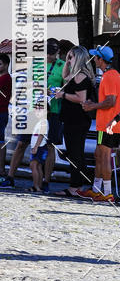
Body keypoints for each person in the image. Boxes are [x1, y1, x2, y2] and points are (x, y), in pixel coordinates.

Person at [77, 45, 120, 202]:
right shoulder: (110, 75)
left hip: (108, 125)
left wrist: (92, 106)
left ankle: (107, 193)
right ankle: (96, 190)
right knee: (98, 155)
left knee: (104, 157)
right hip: (107, 124)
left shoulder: (109, 76)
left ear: (101, 59)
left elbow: (111, 101)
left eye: (95, 57)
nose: (94, 59)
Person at [53, 46, 94, 198]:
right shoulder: (75, 74)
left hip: (77, 120)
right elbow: (65, 77)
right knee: (74, 153)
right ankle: (77, 184)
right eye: (67, 57)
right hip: (73, 119)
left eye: (71, 57)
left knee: (75, 154)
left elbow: (81, 99)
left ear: (79, 58)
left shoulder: (80, 76)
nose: (68, 60)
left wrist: (63, 95)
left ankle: (75, 186)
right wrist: (67, 62)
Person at [43, 39, 66, 192]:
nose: (49, 56)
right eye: (47, 53)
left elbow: (67, 89)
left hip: (55, 111)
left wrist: (57, 93)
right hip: (38, 110)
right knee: (34, 144)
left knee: (50, 146)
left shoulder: (63, 66)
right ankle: (37, 178)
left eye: (52, 53)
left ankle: (46, 180)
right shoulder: (37, 64)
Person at [29, 117, 48, 193]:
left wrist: (36, 147)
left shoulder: (44, 122)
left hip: (40, 147)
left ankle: (36, 186)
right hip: (37, 147)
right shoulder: (39, 121)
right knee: (38, 166)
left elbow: (41, 135)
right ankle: (38, 186)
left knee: (33, 165)